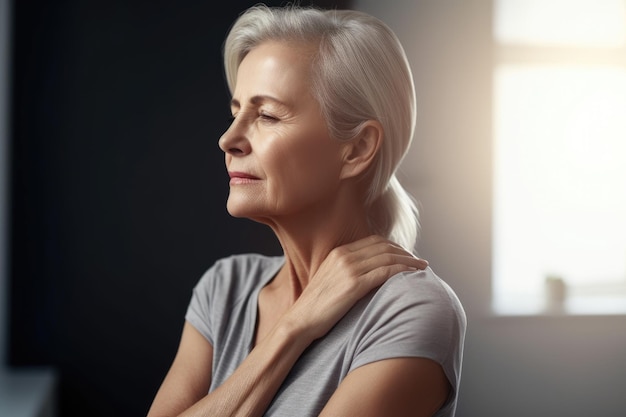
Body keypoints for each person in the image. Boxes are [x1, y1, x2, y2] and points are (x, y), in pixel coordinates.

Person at [147, 4, 466, 417]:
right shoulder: (224, 289)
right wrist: (294, 327)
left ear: (357, 148)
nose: (228, 139)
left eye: (266, 115)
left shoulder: (411, 310)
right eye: (235, 111)